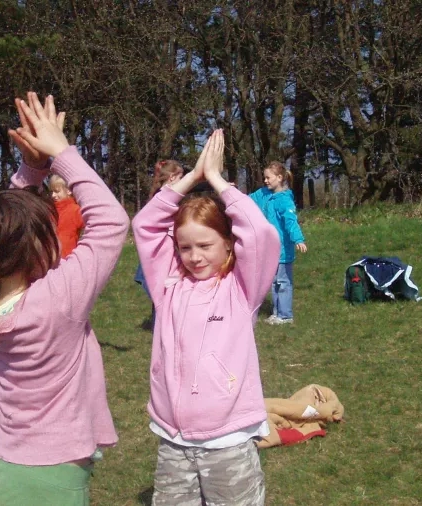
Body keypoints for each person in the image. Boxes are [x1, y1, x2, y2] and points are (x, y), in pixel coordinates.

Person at [0, 92, 128, 505]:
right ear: (36, 248)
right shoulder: (58, 300)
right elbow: (112, 222)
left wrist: (31, 170)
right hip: (52, 479)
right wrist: (60, 152)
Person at [133, 129, 280, 505]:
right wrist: (189, 179)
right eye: (184, 247)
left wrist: (217, 182)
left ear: (228, 243)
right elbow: (144, 227)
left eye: (205, 245)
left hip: (227, 441)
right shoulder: (168, 287)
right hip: (174, 440)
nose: (194, 256)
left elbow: (261, 233)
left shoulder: (241, 289)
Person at [249, 160, 307, 324]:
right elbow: (246, 200)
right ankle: (277, 312)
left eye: (268, 178)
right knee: (274, 282)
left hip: (283, 251)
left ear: (280, 177)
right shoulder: (264, 194)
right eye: (264, 178)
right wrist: (229, 190)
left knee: (283, 282)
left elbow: (291, 221)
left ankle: (286, 315)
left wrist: (298, 239)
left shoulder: (285, 200)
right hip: (270, 249)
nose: (265, 181)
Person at [134, 159, 185, 327]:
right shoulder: (165, 196)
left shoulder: (164, 193)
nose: (184, 182)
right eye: (181, 178)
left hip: (162, 248)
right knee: (161, 290)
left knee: (161, 288)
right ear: (171, 177)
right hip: (162, 248)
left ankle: (161, 321)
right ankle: (162, 323)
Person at [49, 173, 85, 257]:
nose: (53, 195)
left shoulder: (75, 210)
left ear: (68, 191)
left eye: (57, 191)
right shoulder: (51, 211)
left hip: (68, 258)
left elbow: (89, 229)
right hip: (50, 258)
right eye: (52, 191)